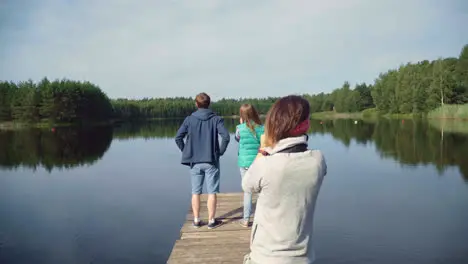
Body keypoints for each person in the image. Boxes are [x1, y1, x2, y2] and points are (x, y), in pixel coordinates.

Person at [242, 95, 327, 264]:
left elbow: (247, 185)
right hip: (303, 258)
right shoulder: (318, 160)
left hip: (264, 257)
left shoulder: (266, 164)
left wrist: (264, 149)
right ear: (306, 125)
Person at [175, 92, 230, 229]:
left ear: (196, 104)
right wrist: (220, 152)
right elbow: (226, 137)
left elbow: (178, 138)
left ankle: (196, 220)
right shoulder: (216, 119)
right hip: (211, 160)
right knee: (212, 192)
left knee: (196, 192)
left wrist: (187, 152)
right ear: (209, 104)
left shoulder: (189, 119)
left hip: (195, 161)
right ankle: (211, 221)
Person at [234, 104, 264, 227]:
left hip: (244, 163)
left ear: (242, 115)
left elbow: (237, 139)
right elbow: (264, 143)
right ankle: (261, 219)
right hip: (258, 162)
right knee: (260, 191)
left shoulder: (239, 128)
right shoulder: (262, 128)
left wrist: (242, 124)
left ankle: (246, 219)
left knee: (247, 191)